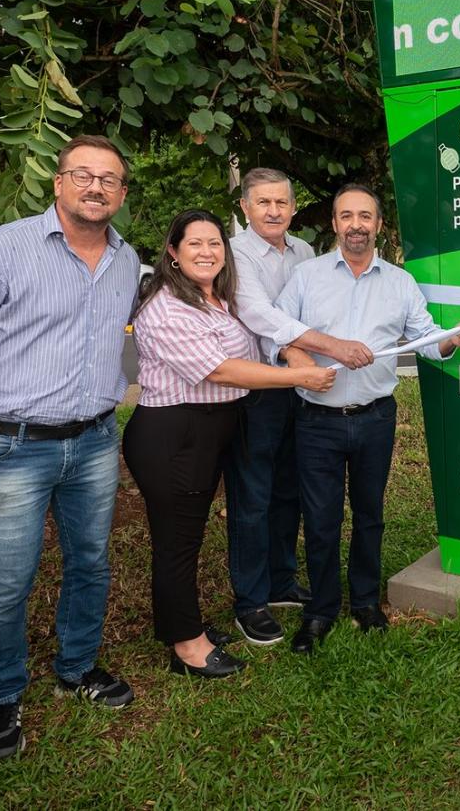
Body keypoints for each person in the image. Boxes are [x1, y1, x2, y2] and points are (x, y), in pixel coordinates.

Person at [0, 134, 141, 761]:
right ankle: (1, 697)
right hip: (13, 447)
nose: (96, 187)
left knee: (91, 562)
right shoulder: (2, 249)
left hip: (97, 439)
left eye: (109, 179)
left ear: (122, 194)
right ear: (58, 182)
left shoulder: (126, 258)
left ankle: (77, 669)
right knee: (6, 581)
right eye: (83, 175)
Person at [125, 209, 336, 679]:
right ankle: (188, 647)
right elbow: (219, 369)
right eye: (195, 244)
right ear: (173, 254)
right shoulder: (166, 306)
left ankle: (186, 626)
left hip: (213, 426)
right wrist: (297, 376)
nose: (206, 252)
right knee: (177, 542)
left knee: (189, 536)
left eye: (215, 243)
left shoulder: (217, 299)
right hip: (174, 433)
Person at [275, 183, 460, 654]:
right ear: (334, 224)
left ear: (379, 225)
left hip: (374, 419)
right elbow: (278, 330)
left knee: (370, 516)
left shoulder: (400, 283)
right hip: (317, 421)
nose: (356, 225)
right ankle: (321, 610)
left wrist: (452, 339)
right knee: (322, 520)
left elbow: (426, 340)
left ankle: (365, 602)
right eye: (347, 216)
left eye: (365, 216)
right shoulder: (307, 277)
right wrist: (297, 360)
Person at [222, 167, 375, 648]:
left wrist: (304, 360)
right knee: (253, 495)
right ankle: (250, 600)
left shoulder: (305, 252)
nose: (273, 211)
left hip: (305, 391)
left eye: (281, 203)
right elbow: (260, 315)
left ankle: (281, 578)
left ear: (292, 207)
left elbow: (301, 313)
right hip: (257, 387)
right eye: (263, 203)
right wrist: (306, 350)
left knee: (290, 488)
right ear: (244, 207)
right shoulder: (235, 253)